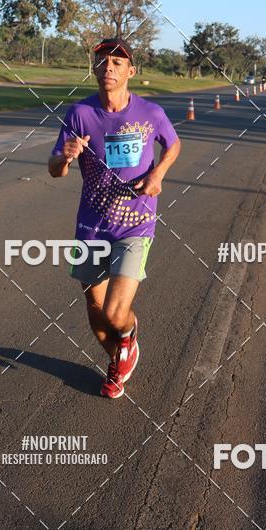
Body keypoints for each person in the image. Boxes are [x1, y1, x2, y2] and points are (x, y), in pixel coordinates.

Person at [48, 38, 181, 399]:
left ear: (130, 71)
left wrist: (158, 175)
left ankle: (127, 339)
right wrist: (67, 157)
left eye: (117, 63)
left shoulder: (151, 113)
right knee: (94, 307)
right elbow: (55, 170)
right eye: (102, 62)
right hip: (91, 226)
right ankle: (120, 357)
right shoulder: (79, 113)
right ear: (94, 68)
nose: (108, 68)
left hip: (135, 223)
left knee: (115, 311)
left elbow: (173, 144)